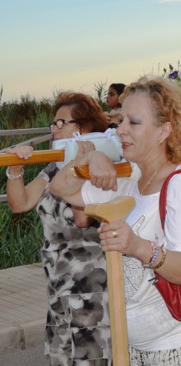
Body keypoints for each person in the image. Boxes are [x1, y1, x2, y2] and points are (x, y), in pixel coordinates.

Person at [49, 76, 181, 365]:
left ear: (164, 130)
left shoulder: (179, 184)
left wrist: (136, 245)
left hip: (180, 345)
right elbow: (62, 188)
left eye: (134, 122)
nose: (120, 130)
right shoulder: (132, 177)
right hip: (137, 345)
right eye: (120, 121)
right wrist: (91, 159)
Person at [5, 92, 111, 365]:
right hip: (57, 278)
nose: (54, 127)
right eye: (53, 122)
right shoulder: (54, 167)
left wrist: (79, 164)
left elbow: (82, 220)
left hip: (87, 279)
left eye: (62, 122)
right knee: (61, 353)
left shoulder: (98, 164)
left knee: (89, 354)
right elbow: (21, 203)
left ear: (83, 128)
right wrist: (15, 168)